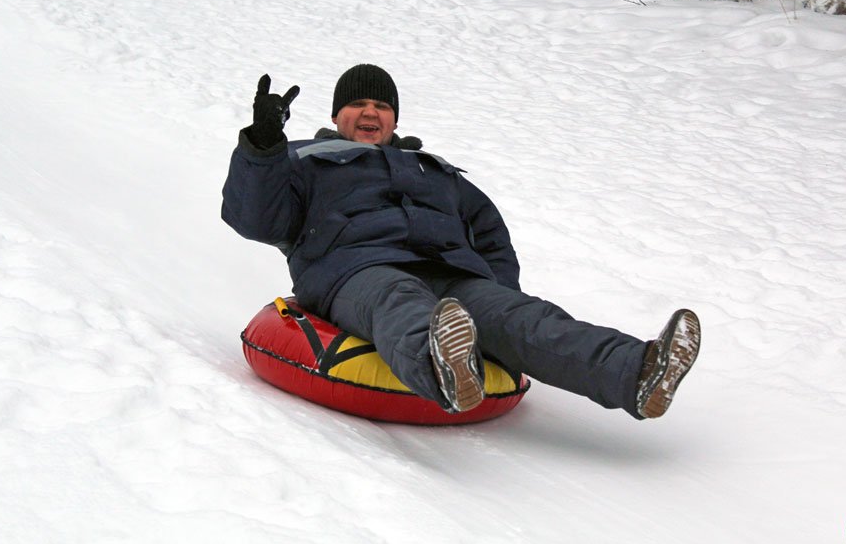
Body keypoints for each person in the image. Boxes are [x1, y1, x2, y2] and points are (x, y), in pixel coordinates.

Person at [222, 64, 700, 418]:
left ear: (393, 119)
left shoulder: (435, 170)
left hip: (453, 274)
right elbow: (254, 219)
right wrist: (262, 148)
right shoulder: (303, 159)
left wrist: (496, 292)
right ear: (337, 114)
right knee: (399, 299)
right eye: (358, 104)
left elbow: (490, 234)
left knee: (525, 316)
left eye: (382, 105)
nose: (370, 112)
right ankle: (443, 367)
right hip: (354, 271)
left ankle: (639, 372)